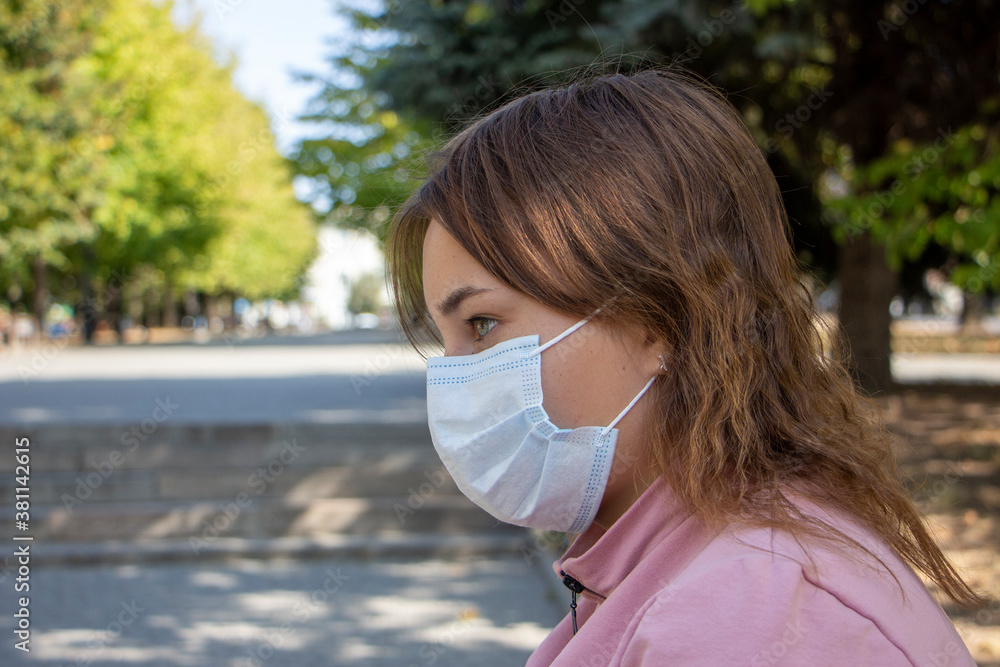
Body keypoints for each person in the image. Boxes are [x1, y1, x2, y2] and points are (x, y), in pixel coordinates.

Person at [385, 66, 984, 665]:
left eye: (482, 325)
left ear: (659, 320)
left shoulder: (749, 614)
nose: (454, 378)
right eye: (444, 338)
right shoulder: (690, 562)